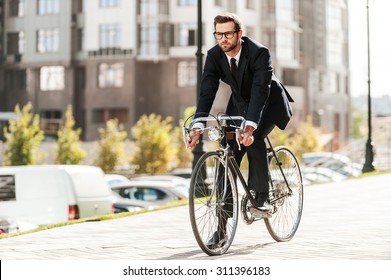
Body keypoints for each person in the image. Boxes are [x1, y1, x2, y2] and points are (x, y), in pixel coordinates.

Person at [186, 13, 293, 246]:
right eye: (218, 34)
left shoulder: (259, 53)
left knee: (252, 138)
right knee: (227, 153)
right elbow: (207, 91)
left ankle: (262, 198)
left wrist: (250, 124)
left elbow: (260, 89)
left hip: (268, 103)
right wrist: (197, 124)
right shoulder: (214, 56)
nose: (222, 39)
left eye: (228, 34)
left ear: (239, 34)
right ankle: (221, 229)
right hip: (240, 103)